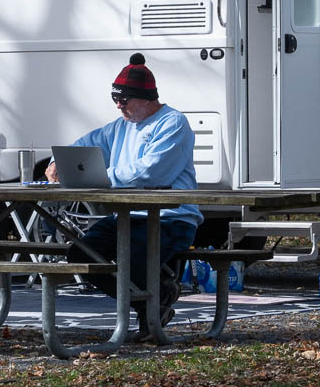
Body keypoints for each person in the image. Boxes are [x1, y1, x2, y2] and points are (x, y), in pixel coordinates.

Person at [45, 52, 203, 336]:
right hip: (129, 217)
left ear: (146, 98)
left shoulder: (173, 123)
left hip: (172, 218)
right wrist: (57, 162)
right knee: (81, 254)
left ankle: (151, 308)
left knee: (132, 258)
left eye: (124, 99)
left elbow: (153, 173)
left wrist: (101, 177)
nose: (118, 105)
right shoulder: (119, 127)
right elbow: (83, 146)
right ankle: (151, 303)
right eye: (114, 98)